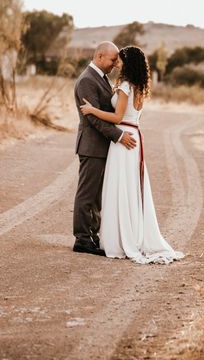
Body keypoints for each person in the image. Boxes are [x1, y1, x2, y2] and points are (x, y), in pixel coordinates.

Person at [80, 45, 184, 264]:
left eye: (120, 60)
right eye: (115, 59)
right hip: (133, 136)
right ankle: (129, 234)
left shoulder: (125, 86)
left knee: (121, 188)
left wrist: (92, 110)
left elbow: (117, 118)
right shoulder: (138, 86)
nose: (116, 62)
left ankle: (119, 238)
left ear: (127, 63)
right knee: (130, 188)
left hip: (124, 139)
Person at [72, 42, 137, 256]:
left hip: (102, 146)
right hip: (91, 145)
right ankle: (82, 239)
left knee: (97, 195)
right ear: (100, 56)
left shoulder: (100, 78)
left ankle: (93, 236)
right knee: (86, 194)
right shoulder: (87, 81)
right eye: (112, 60)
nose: (114, 65)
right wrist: (118, 135)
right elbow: (93, 119)